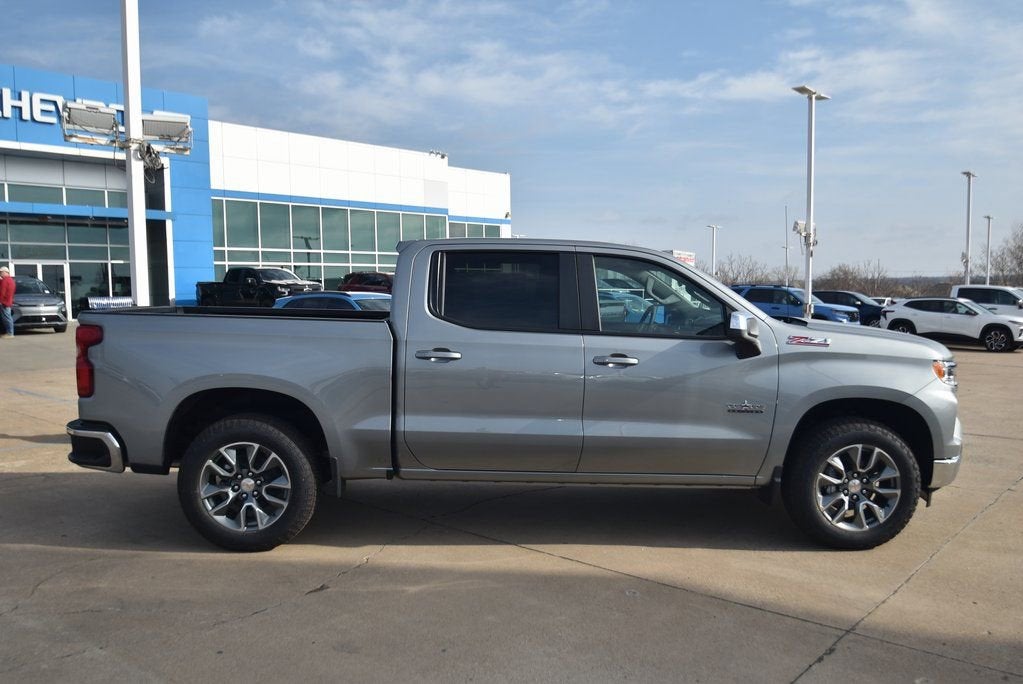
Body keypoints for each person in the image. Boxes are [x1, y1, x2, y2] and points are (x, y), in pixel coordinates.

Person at [0, 266, 14, 338]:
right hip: (8, 301)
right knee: (7, 317)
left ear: (5, 272)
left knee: (7, 318)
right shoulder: (10, 280)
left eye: (1, 272)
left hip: (4, 302)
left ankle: (10, 333)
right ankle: (9, 332)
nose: (0, 274)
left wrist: (0, 300)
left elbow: (2, 292)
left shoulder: (5, 280)